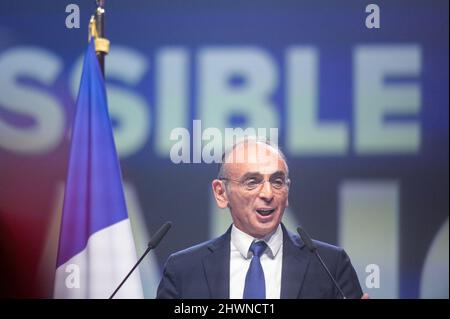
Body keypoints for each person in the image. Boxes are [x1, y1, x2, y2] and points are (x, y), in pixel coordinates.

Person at [157, 138, 366, 299]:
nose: (268, 193)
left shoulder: (330, 265)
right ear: (221, 193)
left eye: (277, 181)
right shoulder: (184, 270)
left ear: (287, 191)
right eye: (252, 182)